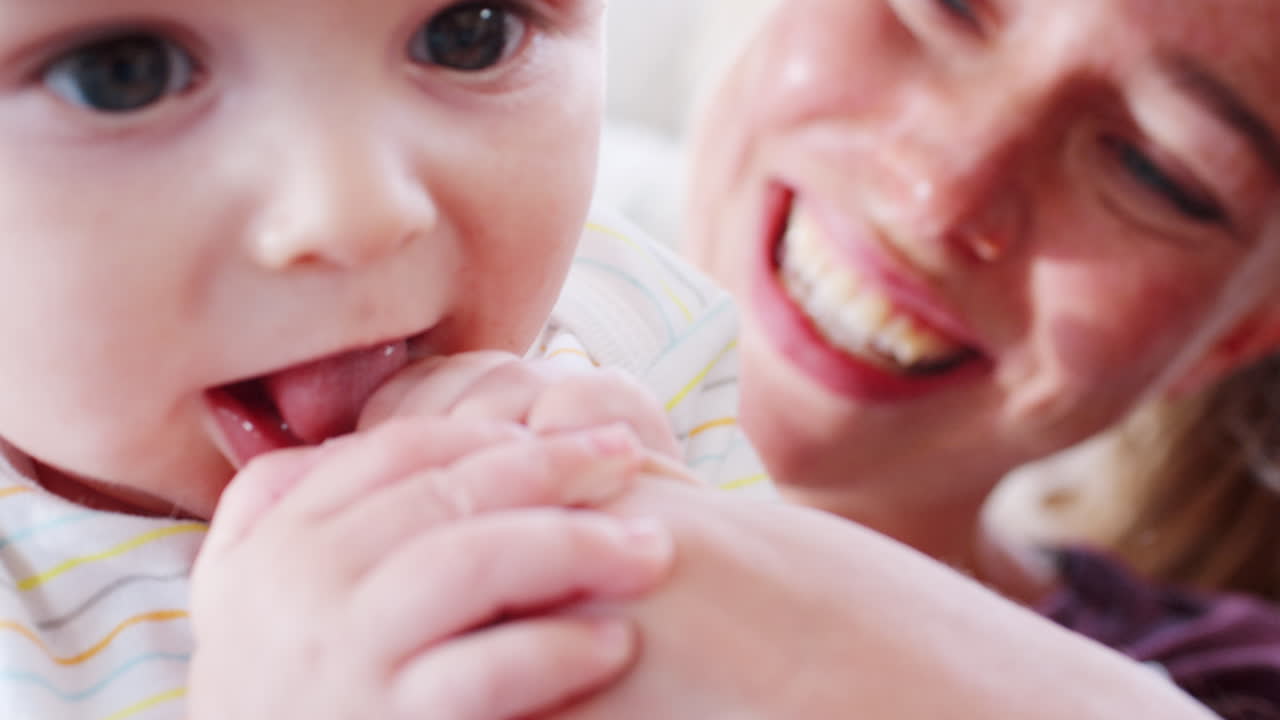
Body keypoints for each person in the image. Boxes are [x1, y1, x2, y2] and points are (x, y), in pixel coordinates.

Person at [0, 1, 764, 717]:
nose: (357, 214)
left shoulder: (641, 346)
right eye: (121, 74)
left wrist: (693, 602)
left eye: (469, 32)